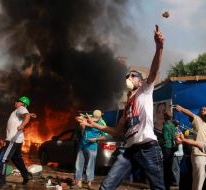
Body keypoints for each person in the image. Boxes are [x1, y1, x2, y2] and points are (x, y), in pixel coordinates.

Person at [77, 26, 165, 190]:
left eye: (133, 75)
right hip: (129, 151)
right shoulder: (127, 106)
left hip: (148, 148)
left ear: (140, 81)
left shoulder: (145, 90)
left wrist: (159, 47)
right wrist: (93, 124)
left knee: (158, 187)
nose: (129, 77)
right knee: (106, 186)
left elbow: (154, 70)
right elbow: (117, 132)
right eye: (127, 75)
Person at [0, 96, 36, 189]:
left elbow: (26, 116)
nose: (15, 102)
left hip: (12, 140)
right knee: (16, 159)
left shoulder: (21, 108)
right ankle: (26, 175)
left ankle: (1, 183)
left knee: (1, 160)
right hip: (17, 140)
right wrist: (28, 115)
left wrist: (22, 125)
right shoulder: (19, 110)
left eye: (17, 101)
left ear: (22, 103)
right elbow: (26, 115)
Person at [175, 105, 206, 190]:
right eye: (201, 109)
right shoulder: (198, 120)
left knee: (205, 182)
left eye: (205, 109)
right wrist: (182, 109)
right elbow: (190, 114)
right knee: (198, 182)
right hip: (200, 154)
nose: (202, 110)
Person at [73, 110, 107, 189]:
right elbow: (76, 118)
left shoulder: (102, 124)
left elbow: (104, 137)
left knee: (90, 165)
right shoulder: (90, 117)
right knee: (79, 164)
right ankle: (79, 183)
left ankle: (89, 183)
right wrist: (83, 119)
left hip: (92, 147)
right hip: (82, 145)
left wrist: (95, 139)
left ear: (100, 117)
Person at [162, 112, 176, 189]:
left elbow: (165, 137)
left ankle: (166, 184)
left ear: (165, 117)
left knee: (165, 166)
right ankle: (169, 184)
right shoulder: (172, 125)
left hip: (166, 147)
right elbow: (174, 136)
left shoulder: (165, 126)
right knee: (170, 165)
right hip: (172, 147)